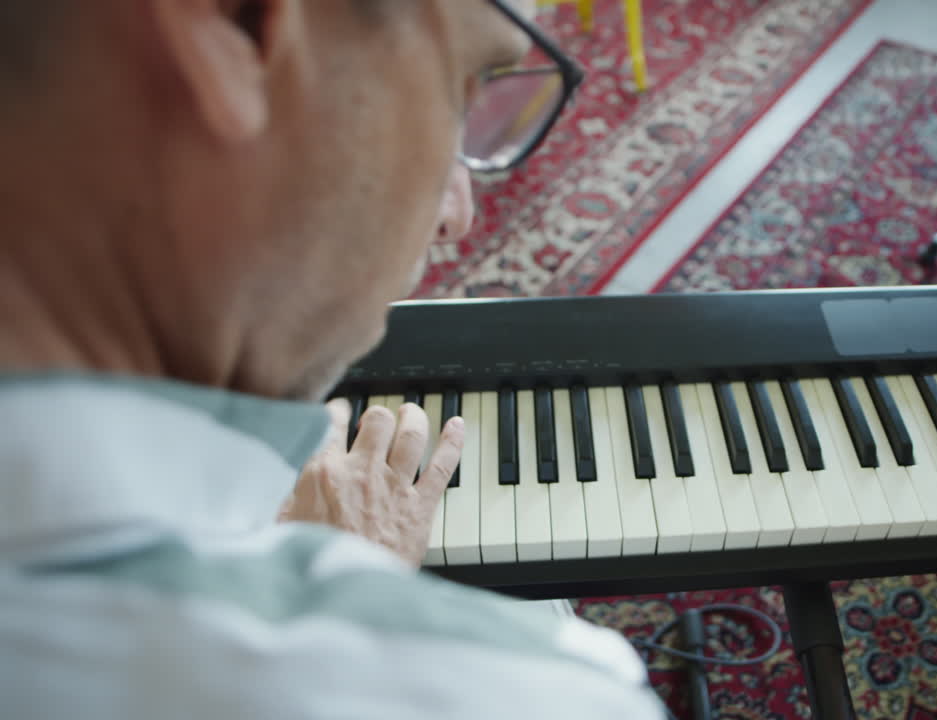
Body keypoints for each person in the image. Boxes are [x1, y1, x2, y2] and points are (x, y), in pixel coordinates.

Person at [0, 1, 665, 718]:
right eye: (467, 80)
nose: (456, 215)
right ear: (235, 26)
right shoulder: (526, 696)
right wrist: (360, 605)